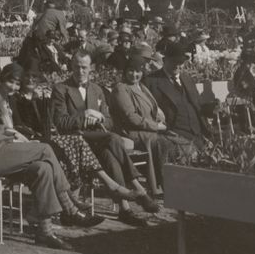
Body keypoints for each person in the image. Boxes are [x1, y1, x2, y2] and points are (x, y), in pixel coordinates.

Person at [0, 54, 100, 249]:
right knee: (44, 148)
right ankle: (69, 204)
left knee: (42, 168)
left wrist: (5, 130)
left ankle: (45, 231)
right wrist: (9, 137)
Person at [51, 53, 159, 224]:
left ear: (91, 68)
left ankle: (126, 209)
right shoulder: (61, 89)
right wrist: (83, 116)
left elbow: (109, 122)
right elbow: (60, 122)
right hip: (75, 141)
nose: (80, 71)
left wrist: (101, 118)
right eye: (77, 66)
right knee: (113, 140)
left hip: (97, 140)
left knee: (110, 154)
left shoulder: (96, 89)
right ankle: (138, 191)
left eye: (84, 67)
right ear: (71, 67)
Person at [106, 56, 176, 193]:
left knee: (176, 140)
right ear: (125, 71)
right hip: (131, 132)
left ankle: (172, 181)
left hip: (147, 129)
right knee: (162, 142)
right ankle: (162, 184)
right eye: (131, 71)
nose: (134, 74)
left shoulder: (142, 87)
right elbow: (131, 117)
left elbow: (153, 109)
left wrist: (161, 121)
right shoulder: (121, 89)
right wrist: (156, 127)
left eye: (138, 71)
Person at [144, 41, 214, 149]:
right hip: (174, 137)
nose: (177, 65)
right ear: (164, 60)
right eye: (173, 61)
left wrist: (212, 108)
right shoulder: (151, 81)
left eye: (180, 62)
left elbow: (198, 106)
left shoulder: (187, 79)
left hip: (198, 135)